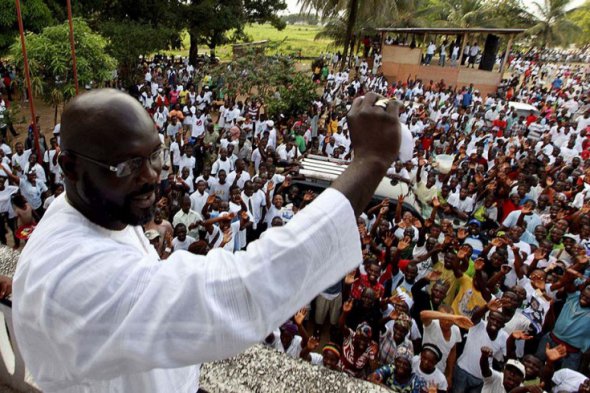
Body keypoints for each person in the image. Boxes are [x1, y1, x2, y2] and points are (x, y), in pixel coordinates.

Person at [12, 89, 402, 392]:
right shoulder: (75, 278)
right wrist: (368, 162)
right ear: (69, 167)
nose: (150, 176)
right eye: (127, 165)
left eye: (155, 156)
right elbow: (240, 291)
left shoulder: (101, 208)